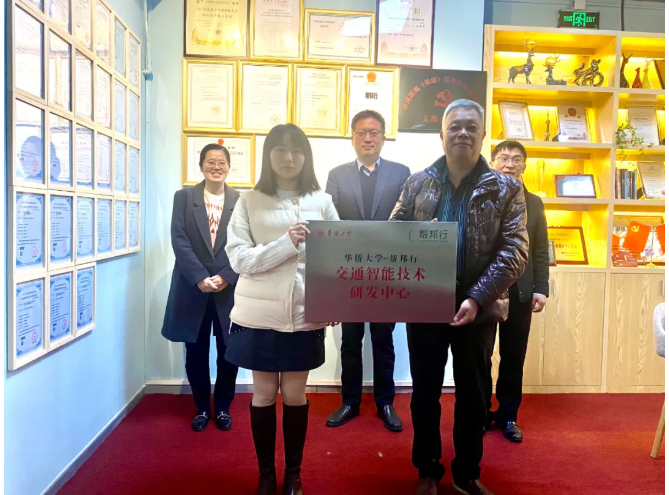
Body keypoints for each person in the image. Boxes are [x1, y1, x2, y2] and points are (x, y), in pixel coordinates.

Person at [390, 99, 529, 495]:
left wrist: (477, 297)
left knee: (474, 396)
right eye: (455, 126)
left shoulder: (507, 187)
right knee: (424, 394)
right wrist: (417, 236)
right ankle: (427, 470)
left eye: (471, 127)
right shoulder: (417, 182)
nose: (463, 133)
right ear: (442, 134)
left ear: (483, 135)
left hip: (478, 308)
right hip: (425, 305)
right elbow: (392, 234)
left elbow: (515, 250)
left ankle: (467, 473)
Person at [225, 124, 339, 495]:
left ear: (306, 156)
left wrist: (334, 300)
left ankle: (293, 475)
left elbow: (337, 259)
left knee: (294, 396)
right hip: (258, 316)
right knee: (262, 396)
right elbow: (239, 259)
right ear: (268, 155)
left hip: (304, 316)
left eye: (297, 150)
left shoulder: (322, 201)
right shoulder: (249, 200)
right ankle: (265, 475)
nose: (288, 158)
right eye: (279, 149)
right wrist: (285, 244)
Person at [324, 110, 411, 432]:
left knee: (383, 339)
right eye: (361, 133)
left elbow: (408, 216)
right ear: (352, 138)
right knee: (350, 339)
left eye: (374, 133)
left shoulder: (401, 173)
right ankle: (350, 401)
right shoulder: (337, 175)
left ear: (383, 138)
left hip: (387, 270)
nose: (368, 138)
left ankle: (385, 402)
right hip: (350, 269)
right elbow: (330, 218)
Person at [161, 143, 240, 432]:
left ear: (229, 167)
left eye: (221, 162)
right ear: (201, 166)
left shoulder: (240, 200)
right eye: (210, 161)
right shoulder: (184, 197)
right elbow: (179, 239)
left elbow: (246, 243)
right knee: (195, 351)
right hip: (192, 288)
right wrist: (199, 277)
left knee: (229, 351)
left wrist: (227, 275)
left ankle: (223, 407)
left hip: (228, 290)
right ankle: (202, 408)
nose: (216, 167)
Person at [487, 141, 549, 443]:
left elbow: (540, 250)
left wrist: (541, 288)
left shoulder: (534, 203)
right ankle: (480, 411)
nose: (509, 164)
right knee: (480, 356)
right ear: (492, 163)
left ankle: (508, 415)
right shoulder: (481, 198)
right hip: (485, 292)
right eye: (503, 158)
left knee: (513, 357)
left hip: (521, 292)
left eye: (515, 159)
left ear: (524, 165)